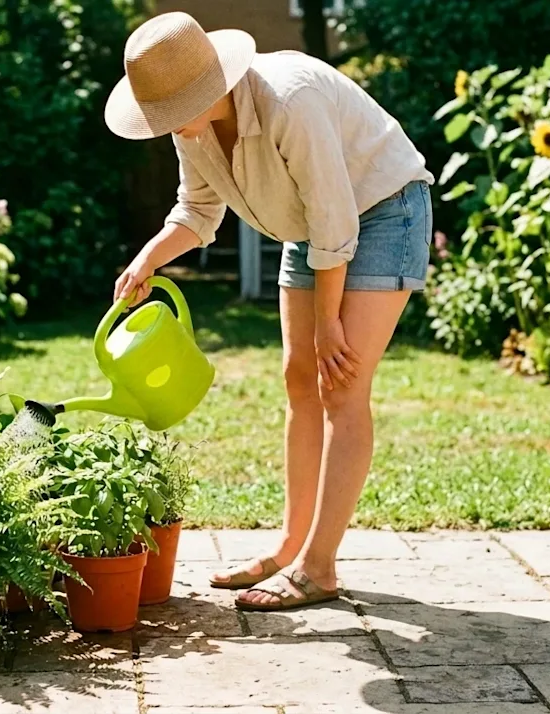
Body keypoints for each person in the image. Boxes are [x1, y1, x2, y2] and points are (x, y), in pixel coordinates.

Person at [105, 12, 434, 612]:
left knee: (342, 382)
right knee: (297, 378)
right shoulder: (193, 126)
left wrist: (329, 323)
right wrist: (147, 259)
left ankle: (319, 567)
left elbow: (336, 220)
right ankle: (289, 545)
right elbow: (197, 210)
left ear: (206, 87)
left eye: (169, 110)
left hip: (384, 210)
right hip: (311, 228)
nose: (163, 127)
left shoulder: (289, 100)